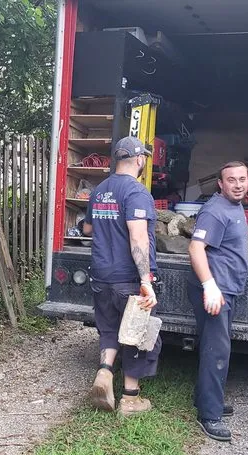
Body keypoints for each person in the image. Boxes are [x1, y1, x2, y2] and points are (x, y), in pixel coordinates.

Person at [79, 136, 160, 417]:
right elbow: (138, 239)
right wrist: (146, 281)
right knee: (135, 334)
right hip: (127, 277)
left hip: (101, 275)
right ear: (139, 160)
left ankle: (104, 373)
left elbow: (88, 229)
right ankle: (130, 398)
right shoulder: (136, 193)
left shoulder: (100, 190)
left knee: (109, 328)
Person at [187, 161, 248, 442]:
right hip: (215, 291)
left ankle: (208, 399)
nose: (238, 184)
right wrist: (209, 286)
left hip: (228, 288)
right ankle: (209, 415)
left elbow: (234, 226)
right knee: (217, 350)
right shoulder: (214, 211)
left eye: (242, 179)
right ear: (221, 184)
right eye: (231, 180)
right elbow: (195, 248)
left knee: (215, 345)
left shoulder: (234, 206)